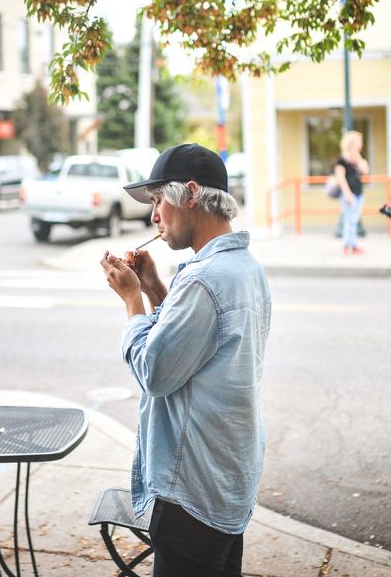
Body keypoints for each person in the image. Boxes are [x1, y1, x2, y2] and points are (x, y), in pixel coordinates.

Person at [99, 143, 272, 577]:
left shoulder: (202, 279)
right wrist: (157, 289)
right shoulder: (245, 267)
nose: (153, 216)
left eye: (159, 200)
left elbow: (155, 372)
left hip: (190, 486)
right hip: (226, 476)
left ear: (191, 194)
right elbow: (195, 346)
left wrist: (132, 300)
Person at [334, 130, 370, 254]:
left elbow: (365, 170)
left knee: (354, 219)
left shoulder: (358, 158)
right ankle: (347, 245)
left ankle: (353, 245)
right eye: (358, 141)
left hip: (359, 193)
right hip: (349, 194)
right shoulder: (343, 159)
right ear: (352, 142)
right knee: (349, 220)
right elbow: (340, 178)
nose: (361, 143)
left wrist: (358, 158)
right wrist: (348, 194)